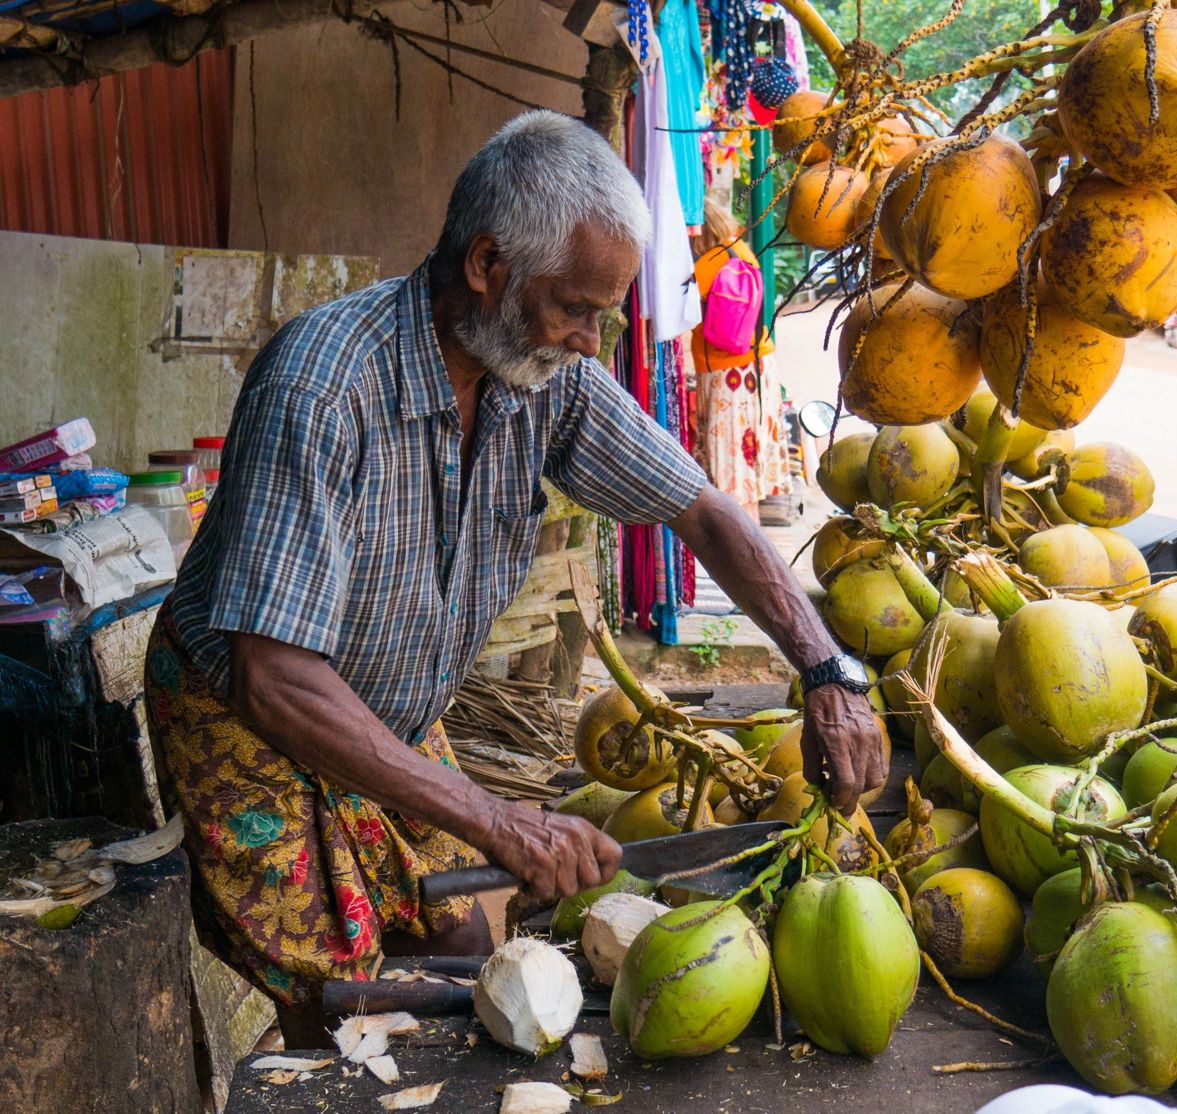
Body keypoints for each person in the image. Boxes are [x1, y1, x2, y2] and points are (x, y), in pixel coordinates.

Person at [143, 110, 887, 1046]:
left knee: (468, 943)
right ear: (487, 265)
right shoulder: (324, 386)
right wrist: (500, 818)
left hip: (390, 711)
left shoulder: (545, 377)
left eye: (603, 312)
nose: (589, 339)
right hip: (245, 712)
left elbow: (702, 510)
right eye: (574, 307)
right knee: (345, 1011)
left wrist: (827, 672)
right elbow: (276, 679)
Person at [688, 199, 787, 520]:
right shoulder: (741, 251)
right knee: (747, 473)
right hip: (758, 369)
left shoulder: (703, 267)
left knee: (731, 475)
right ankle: (754, 540)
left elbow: (678, 318)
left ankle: (745, 552)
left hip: (725, 378)